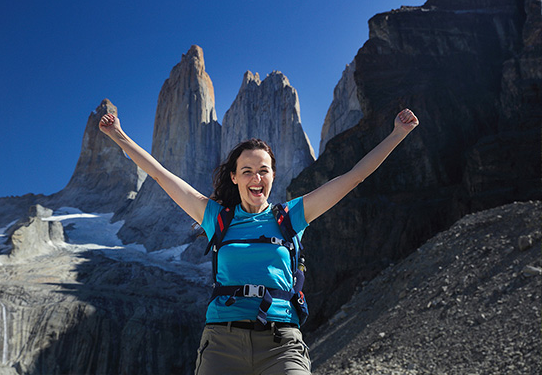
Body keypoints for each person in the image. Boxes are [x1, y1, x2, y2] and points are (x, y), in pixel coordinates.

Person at [99, 107, 419, 375]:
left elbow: (353, 177)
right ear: (235, 177)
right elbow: (160, 175)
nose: (256, 178)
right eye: (247, 170)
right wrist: (118, 135)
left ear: (273, 176)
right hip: (221, 344)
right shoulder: (216, 218)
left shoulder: (290, 218)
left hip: (282, 345)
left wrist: (397, 134)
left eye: (263, 170)